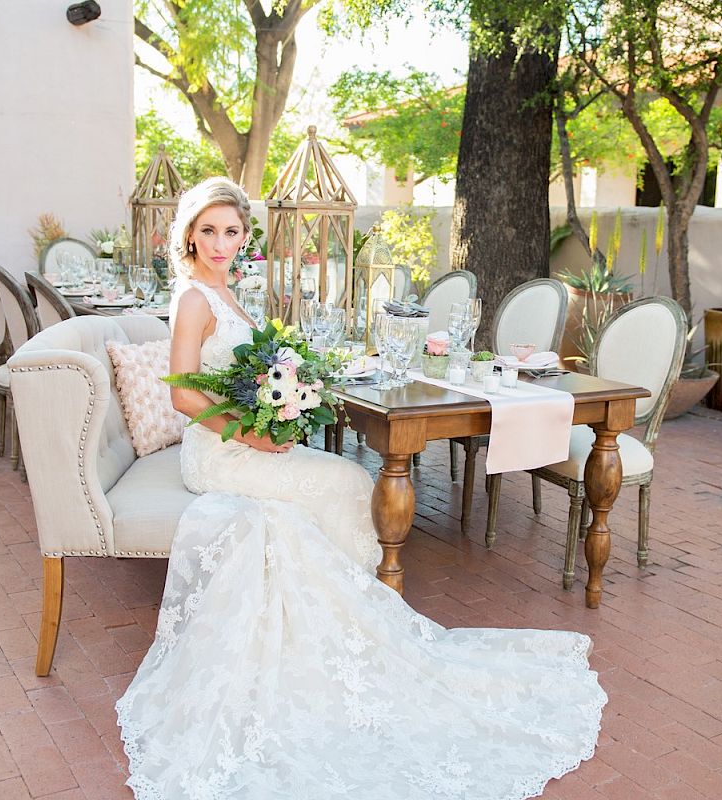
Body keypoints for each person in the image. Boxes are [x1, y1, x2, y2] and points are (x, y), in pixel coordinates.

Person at [116, 177, 606, 800]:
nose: (220, 243)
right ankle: (355, 638)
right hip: (218, 453)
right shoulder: (194, 299)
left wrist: (284, 405)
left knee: (349, 479)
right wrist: (254, 434)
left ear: (245, 235)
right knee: (347, 482)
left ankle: (355, 637)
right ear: (189, 232)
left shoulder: (226, 290)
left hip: (246, 438)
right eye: (209, 230)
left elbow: (244, 372)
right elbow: (183, 392)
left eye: (232, 231)